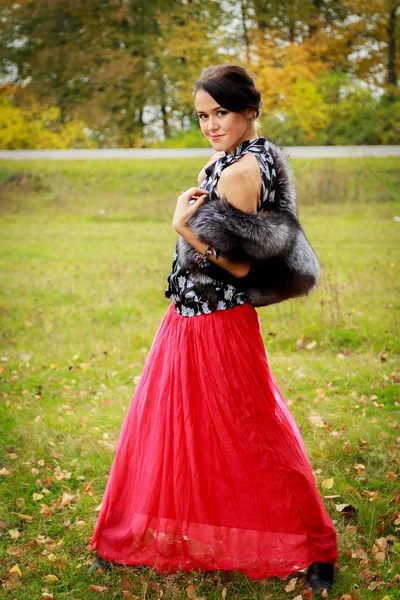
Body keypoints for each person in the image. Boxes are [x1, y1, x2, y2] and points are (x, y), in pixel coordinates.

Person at [88, 65, 338, 593]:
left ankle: (315, 547)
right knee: (170, 424)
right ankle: (132, 533)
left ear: (250, 110)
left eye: (220, 112)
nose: (210, 124)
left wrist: (182, 227)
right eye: (203, 115)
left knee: (253, 429)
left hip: (215, 320)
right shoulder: (248, 156)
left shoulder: (238, 172)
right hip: (191, 313)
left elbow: (240, 265)